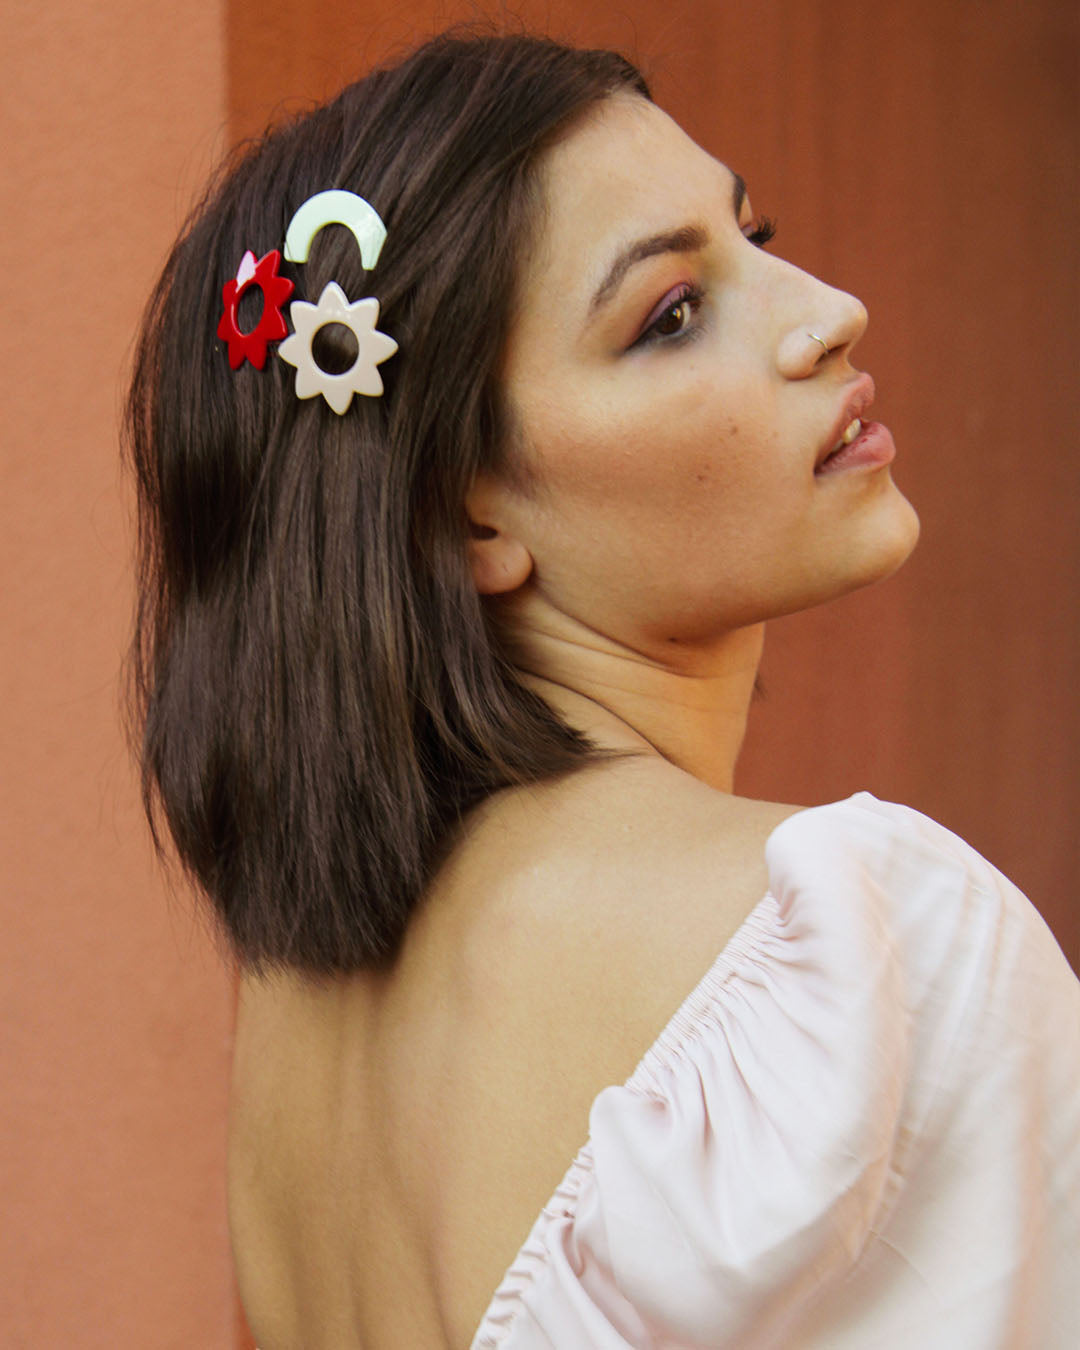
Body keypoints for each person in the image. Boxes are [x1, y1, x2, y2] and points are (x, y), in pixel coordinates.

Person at [122, 26, 1080, 1350]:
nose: (824, 312)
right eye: (670, 315)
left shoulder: (298, 1025)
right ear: (468, 519)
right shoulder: (875, 947)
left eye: (756, 232)